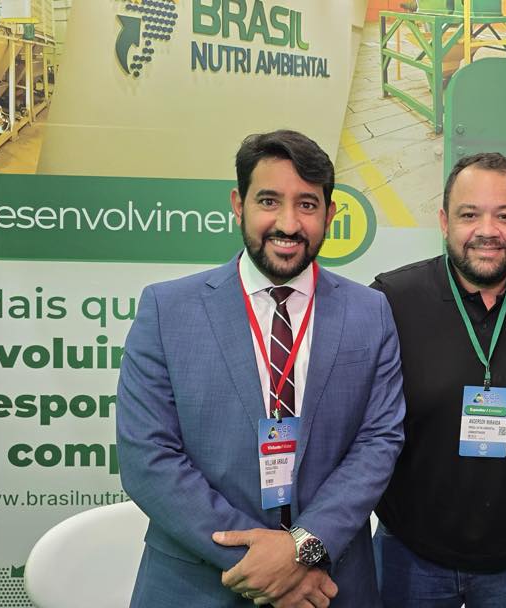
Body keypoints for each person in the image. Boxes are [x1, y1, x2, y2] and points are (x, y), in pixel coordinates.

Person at [116, 129, 405, 607]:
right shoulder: (167, 310)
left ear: (330, 214)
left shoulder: (369, 312)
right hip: (199, 585)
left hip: (329, 584)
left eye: (307, 205)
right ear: (239, 204)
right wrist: (265, 564)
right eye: (269, 201)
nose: (288, 223)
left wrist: (304, 548)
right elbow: (148, 457)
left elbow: (379, 441)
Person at [370, 152, 506, 607]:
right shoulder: (390, 301)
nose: (487, 230)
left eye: (504, 216)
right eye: (470, 214)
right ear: (444, 221)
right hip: (408, 556)